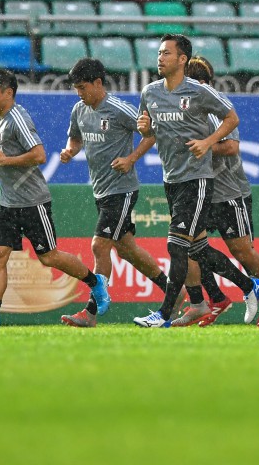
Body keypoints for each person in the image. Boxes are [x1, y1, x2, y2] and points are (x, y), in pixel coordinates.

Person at [121, 34, 259, 328]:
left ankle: (163, 314)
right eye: (159, 52)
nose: (160, 58)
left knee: (176, 246)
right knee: (196, 248)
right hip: (170, 179)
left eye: (166, 53)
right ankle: (248, 287)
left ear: (182, 59)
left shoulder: (198, 92)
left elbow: (232, 119)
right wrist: (145, 129)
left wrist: (208, 142)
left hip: (197, 179)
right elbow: (150, 134)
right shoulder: (149, 92)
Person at [0, 69, 110, 327]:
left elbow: (39, 155)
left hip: (32, 202)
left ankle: (95, 282)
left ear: (8, 93)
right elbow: (9, 158)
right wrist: (1, 167)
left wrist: (5, 160)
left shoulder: (18, 118)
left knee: (48, 257)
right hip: (8, 202)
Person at [58, 58, 185, 327]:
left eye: (83, 87)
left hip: (122, 189)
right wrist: (71, 150)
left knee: (99, 245)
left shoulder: (118, 109)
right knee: (127, 250)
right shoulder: (79, 109)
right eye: (76, 89)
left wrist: (131, 159)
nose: (79, 93)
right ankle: (173, 290)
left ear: (98, 83)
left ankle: (91, 312)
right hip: (101, 189)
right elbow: (76, 137)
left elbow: (151, 134)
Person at [178, 55, 259, 328]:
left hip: (229, 194)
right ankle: (211, 300)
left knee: (244, 253)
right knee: (188, 246)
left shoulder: (216, 108)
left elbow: (231, 147)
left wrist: (204, 146)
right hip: (200, 192)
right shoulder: (184, 110)